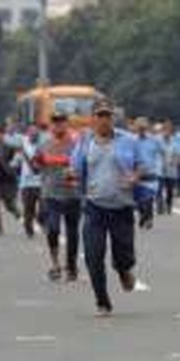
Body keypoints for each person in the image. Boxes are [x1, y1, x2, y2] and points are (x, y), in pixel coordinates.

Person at [72, 99, 144, 317]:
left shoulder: (128, 141)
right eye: (100, 115)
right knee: (93, 256)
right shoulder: (85, 142)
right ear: (92, 118)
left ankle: (123, 270)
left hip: (122, 207)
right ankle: (102, 302)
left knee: (124, 256)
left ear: (113, 118)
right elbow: (75, 168)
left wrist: (134, 177)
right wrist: (72, 175)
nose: (104, 119)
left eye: (107, 115)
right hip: (95, 207)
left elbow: (141, 165)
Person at [33, 112, 81, 281]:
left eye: (61, 122)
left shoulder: (76, 143)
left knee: (72, 232)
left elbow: (84, 164)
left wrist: (74, 173)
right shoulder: (44, 143)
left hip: (73, 194)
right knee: (53, 229)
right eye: (55, 122)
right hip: (51, 193)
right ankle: (55, 264)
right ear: (51, 125)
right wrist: (37, 162)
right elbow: (36, 165)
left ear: (67, 124)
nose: (58, 125)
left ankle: (72, 266)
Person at [133, 117, 162, 229]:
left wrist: (158, 169)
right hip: (137, 175)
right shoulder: (132, 141)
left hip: (151, 174)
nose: (141, 130)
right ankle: (143, 216)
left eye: (143, 128)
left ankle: (148, 218)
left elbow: (160, 154)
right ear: (136, 128)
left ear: (147, 128)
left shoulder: (154, 141)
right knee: (139, 201)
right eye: (139, 128)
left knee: (148, 199)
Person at [18, 127, 45, 238]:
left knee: (45, 207)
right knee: (28, 209)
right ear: (28, 135)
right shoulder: (23, 147)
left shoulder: (43, 147)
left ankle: (40, 220)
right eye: (31, 133)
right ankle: (29, 230)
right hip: (26, 183)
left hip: (41, 183)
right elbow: (16, 162)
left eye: (36, 134)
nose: (34, 135)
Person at [156, 119, 178, 215]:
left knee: (169, 190)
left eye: (169, 129)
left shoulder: (175, 141)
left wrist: (175, 161)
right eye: (165, 129)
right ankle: (160, 206)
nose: (167, 131)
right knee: (159, 188)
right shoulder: (157, 140)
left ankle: (169, 205)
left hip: (171, 169)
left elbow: (178, 154)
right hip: (159, 169)